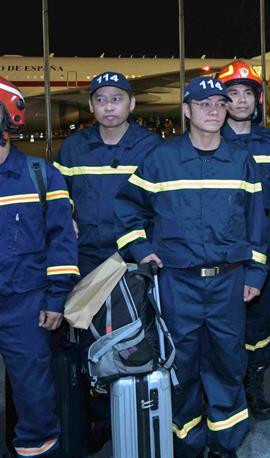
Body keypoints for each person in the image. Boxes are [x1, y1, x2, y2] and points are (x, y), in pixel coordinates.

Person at [115, 76, 267, 458]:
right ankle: (185, 441)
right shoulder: (161, 160)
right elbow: (126, 209)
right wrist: (141, 250)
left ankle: (225, 444)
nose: (214, 110)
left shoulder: (241, 161)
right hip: (177, 284)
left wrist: (255, 273)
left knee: (228, 363)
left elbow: (257, 224)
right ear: (186, 111)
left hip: (228, 283)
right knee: (179, 365)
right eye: (203, 104)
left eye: (219, 103)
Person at [0, 75, 78, 458]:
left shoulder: (41, 176)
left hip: (26, 309)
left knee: (34, 401)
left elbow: (62, 243)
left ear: (8, 119)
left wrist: (56, 298)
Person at [216, 61, 270, 421]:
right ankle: (225, 389)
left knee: (259, 321)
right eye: (232, 93)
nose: (241, 101)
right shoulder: (209, 140)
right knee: (222, 320)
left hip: (264, 240)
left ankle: (253, 385)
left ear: (258, 100)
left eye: (247, 93)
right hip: (222, 244)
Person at [55, 72, 161, 277]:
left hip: (134, 256)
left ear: (131, 104)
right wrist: (65, 216)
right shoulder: (73, 147)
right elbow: (56, 193)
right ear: (91, 105)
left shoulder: (151, 146)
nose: (109, 106)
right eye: (100, 99)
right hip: (83, 256)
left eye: (117, 99)